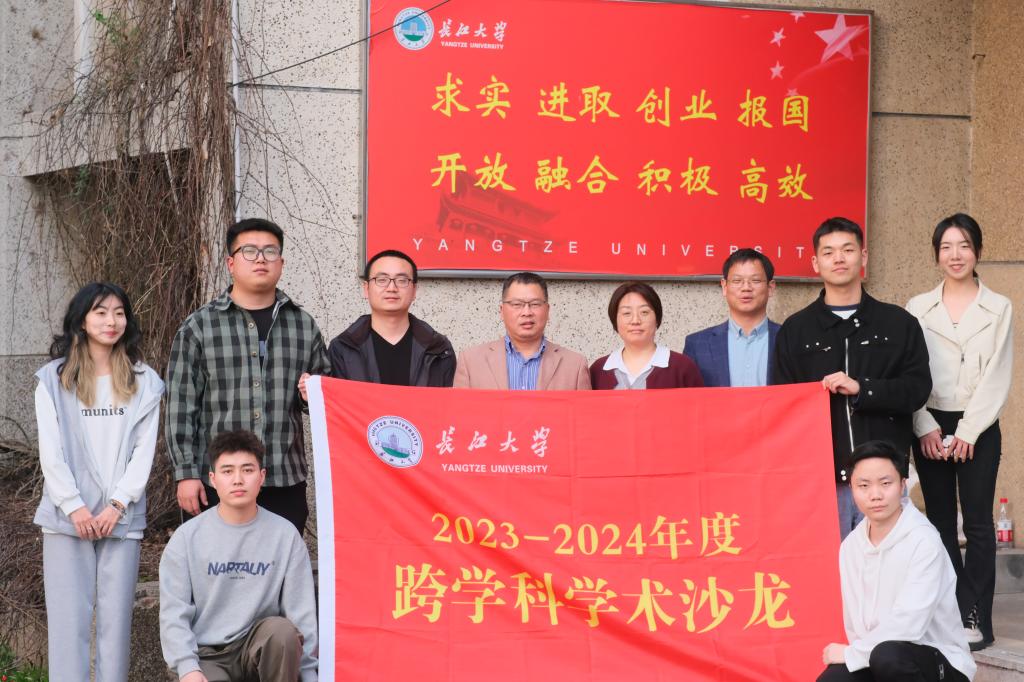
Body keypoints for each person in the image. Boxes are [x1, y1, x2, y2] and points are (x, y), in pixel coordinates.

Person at [34, 282, 164, 682]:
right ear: (82, 320)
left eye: (119, 313)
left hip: (120, 519)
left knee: (115, 627)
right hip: (67, 519)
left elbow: (144, 452)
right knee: (67, 626)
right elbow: (51, 453)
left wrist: (118, 505)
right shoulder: (53, 380)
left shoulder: (145, 381)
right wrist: (74, 507)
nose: (112, 321)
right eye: (101, 312)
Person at [166, 218, 330, 535]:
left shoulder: (303, 325)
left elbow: (323, 398)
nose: (260, 259)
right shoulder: (199, 326)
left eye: (270, 251)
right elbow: (181, 406)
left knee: (280, 563)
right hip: (217, 479)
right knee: (215, 563)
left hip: (283, 476)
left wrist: (308, 395)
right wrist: (185, 473)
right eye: (250, 251)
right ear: (231, 263)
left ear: (281, 263)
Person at [773, 217, 931, 539]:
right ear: (815, 262)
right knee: (830, 565)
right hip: (823, 481)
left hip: (885, 480)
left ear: (864, 256)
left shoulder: (898, 323)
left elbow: (917, 389)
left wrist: (863, 389)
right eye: (829, 252)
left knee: (888, 565)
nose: (839, 258)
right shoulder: (796, 330)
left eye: (847, 250)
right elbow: (782, 405)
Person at [906, 213, 1012, 651]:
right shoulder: (917, 307)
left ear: (978, 252)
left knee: (980, 524)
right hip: (928, 422)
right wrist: (925, 425)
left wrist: (968, 431)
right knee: (940, 523)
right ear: (936, 255)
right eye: (947, 247)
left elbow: (997, 376)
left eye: (964, 245)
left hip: (979, 425)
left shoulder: (999, 307)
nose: (955, 255)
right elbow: (910, 372)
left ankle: (978, 617)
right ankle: (954, 609)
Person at [159, 430, 317, 682]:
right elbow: (173, 612)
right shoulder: (187, 538)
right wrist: (187, 667)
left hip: (258, 650)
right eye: (227, 471)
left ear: (261, 476)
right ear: (212, 479)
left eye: (247, 470)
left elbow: (301, 613)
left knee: (282, 632)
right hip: (206, 655)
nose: (238, 480)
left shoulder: (285, 535)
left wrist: (308, 674)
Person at [817, 440, 975, 682]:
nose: (875, 495)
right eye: (864, 485)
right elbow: (856, 625)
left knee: (889, 656)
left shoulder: (924, 541)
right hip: (877, 657)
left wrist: (852, 654)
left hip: (939, 662)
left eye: (885, 483)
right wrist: (857, 655)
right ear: (852, 488)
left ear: (902, 485)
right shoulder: (850, 547)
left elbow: (909, 625)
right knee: (834, 679)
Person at [318, 249, 454, 387]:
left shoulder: (439, 349)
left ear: (414, 290)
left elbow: (448, 399)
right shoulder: (343, 348)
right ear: (366, 289)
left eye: (402, 280)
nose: (391, 288)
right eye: (382, 280)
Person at [454, 271, 591, 390]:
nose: (526, 312)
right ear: (502, 311)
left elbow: (583, 412)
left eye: (535, 304)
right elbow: (460, 411)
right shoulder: (471, 362)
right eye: (517, 304)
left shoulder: (575, 365)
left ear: (547, 310)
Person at [683, 248, 780, 387]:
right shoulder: (697, 344)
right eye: (737, 280)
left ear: (770, 288)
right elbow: (688, 397)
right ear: (724, 286)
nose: (746, 288)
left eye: (755, 280)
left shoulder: (789, 339)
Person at [591, 281, 704, 389]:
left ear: (657, 319)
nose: (635, 321)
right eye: (626, 313)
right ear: (615, 320)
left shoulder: (683, 367)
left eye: (644, 312)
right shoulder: (598, 370)